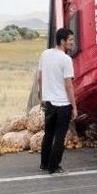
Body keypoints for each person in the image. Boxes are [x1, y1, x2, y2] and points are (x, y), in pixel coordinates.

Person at [37, 27, 77, 174]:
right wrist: (74, 106)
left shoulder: (44, 54)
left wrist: (42, 96)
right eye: (70, 40)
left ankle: (44, 164)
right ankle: (54, 166)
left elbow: (40, 78)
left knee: (48, 135)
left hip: (49, 103)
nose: (73, 43)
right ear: (62, 41)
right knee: (60, 136)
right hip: (63, 104)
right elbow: (68, 86)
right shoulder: (66, 59)